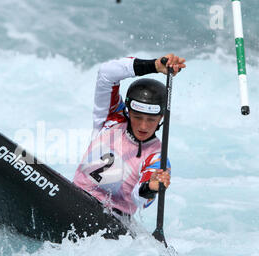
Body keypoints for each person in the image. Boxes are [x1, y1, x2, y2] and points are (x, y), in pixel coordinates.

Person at [73, 54, 186, 217]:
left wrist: (150, 187)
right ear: (128, 111)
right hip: (75, 197)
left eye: (151, 120)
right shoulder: (111, 118)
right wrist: (153, 66)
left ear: (161, 118)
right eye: (137, 117)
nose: (143, 126)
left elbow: (138, 199)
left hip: (113, 219)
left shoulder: (156, 157)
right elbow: (106, 73)